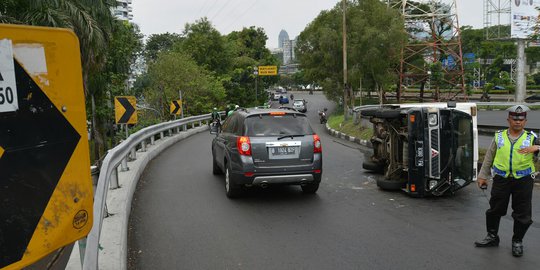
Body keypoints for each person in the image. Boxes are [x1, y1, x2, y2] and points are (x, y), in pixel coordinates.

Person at [474, 105, 538, 257]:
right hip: (501, 179)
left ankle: (517, 241)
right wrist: (482, 176)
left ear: (525, 121)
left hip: (523, 180)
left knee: (522, 213)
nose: (518, 122)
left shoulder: (532, 138)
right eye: (514, 119)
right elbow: (489, 156)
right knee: (495, 209)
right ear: (508, 120)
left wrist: (537, 147)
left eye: (521, 120)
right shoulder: (499, 136)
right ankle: (492, 236)